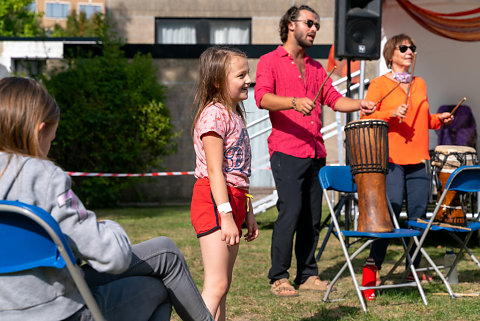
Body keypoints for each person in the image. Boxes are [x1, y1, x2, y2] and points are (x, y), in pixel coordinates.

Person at [0, 77, 214, 321]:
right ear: (41, 130)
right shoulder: (44, 177)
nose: (51, 144)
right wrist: (109, 226)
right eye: (52, 137)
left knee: (165, 252)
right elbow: (112, 256)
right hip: (57, 311)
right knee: (158, 285)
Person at [254, 4, 376, 297]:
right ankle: (279, 277)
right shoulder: (269, 61)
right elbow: (262, 98)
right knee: (291, 212)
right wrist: (294, 102)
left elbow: (334, 100)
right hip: (286, 151)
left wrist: (360, 104)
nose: (314, 29)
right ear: (290, 24)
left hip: (315, 152)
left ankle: (307, 273)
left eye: (317, 26)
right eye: (309, 23)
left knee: (311, 216)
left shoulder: (316, 67)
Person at [361, 33, 453, 293]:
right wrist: (390, 113)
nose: (410, 51)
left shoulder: (420, 83)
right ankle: (373, 266)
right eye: (404, 48)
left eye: (412, 47)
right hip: (390, 158)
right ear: (391, 54)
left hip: (419, 158)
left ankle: (414, 267)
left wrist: (437, 120)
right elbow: (364, 115)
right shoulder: (379, 84)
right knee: (388, 211)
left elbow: (421, 117)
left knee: (419, 215)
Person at [190, 46, 259, 320]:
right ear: (218, 81)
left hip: (234, 200)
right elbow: (215, 171)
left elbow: (239, 172)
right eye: (240, 75)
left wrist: (248, 211)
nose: (248, 80)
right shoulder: (214, 115)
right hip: (215, 200)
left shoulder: (235, 114)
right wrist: (227, 215)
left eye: (248, 73)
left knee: (224, 286)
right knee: (216, 285)